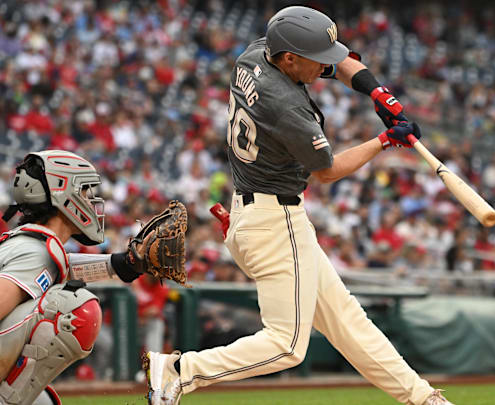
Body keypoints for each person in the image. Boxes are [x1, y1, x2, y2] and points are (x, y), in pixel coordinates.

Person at [144, 6, 453, 405]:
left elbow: (341, 61)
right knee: (288, 345)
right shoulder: (287, 106)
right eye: (315, 61)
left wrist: (377, 92)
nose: (324, 67)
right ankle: (179, 371)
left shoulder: (256, 54)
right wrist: (385, 140)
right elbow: (326, 171)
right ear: (290, 58)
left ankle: (422, 398)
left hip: (257, 213)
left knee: (347, 321)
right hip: (275, 220)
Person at [0, 150, 170, 405]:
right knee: (71, 307)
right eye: (85, 192)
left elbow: (62, 267)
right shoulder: (35, 251)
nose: (91, 202)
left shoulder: (34, 244)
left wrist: (124, 264)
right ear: (62, 194)